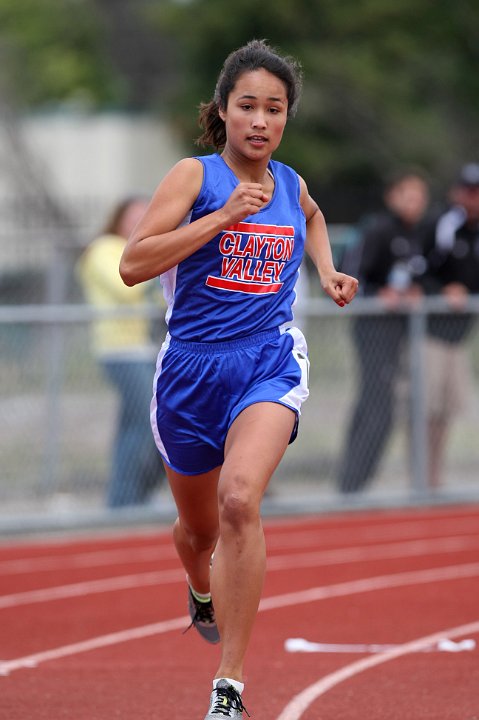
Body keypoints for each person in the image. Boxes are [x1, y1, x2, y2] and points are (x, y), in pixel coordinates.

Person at [119, 39, 358, 720]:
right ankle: (199, 585)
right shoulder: (193, 178)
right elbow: (133, 264)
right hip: (191, 370)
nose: (260, 119)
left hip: (267, 358)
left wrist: (325, 268)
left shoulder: (290, 183)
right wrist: (222, 218)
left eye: (274, 108)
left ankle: (229, 685)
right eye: (247, 105)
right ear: (222, 110)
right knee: (197, 533)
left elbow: (309, 216)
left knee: (239, 501)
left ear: (286, 119)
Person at [337, 170, 431, 494]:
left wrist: (418, 292)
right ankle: (350, 484)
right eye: (408, 195)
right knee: (376, 407)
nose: (414, 203)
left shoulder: (418, 234)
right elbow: (349, 274)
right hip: (373, 330)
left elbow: (422, 277)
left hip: (402, 333)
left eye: (420, 197)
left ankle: (358, 483)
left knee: (387, 408)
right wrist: (378, 296)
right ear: (392, 196)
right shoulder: (377, 229)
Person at [77, 197, 165, 508]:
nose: (140, 222)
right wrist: (161, 266)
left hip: (146, 349)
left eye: (146, 216)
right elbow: (127, 286)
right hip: (118, 350)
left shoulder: (143, 250)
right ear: (118, 218)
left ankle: (137, 494)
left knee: (153, 420)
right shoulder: (103, 249)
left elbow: (162, 301)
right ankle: (123, 499)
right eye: (134, 216)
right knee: (144, 420)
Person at [422, 162, 479, 488]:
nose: (472, 198)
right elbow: (419, 269)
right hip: (430, 332)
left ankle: (434, 474)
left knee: (446, 409)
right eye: (468, 191)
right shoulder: (443, 224)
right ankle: (424, 474)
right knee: (428, 405)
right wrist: (443, 291)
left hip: (460, 335)